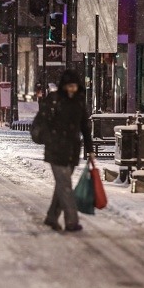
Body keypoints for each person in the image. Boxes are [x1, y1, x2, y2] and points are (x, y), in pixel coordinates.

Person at [41, 69, 94, 232]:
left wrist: (90, 150)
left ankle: (51, 217)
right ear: (64, 86)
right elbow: (44, 121)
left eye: (74, 86)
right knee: (65, 186)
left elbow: (85, 126)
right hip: (56, 149)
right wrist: (50, 137)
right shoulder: (55, 100)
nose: (72, 89)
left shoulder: (79, 102)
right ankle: (72, 221)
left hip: (72, 151)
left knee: (61, 186)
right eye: (69, 86)